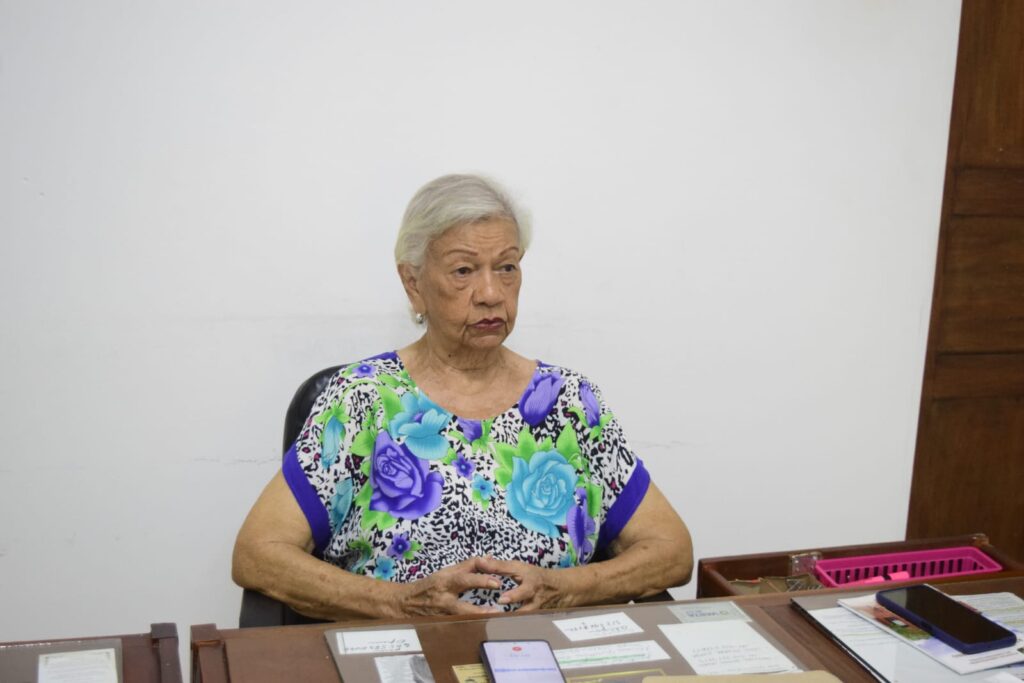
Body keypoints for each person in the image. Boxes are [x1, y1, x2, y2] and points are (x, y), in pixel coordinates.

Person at [232, 174, 693, 620]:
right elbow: (258, 554)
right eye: (463, 270)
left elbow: (671, 551)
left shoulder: (569, 401)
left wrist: (568, 590)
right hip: (400, 658)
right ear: (414, 284)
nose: (491, 293)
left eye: (507, 267)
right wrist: (398, 602)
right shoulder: (362, 398)